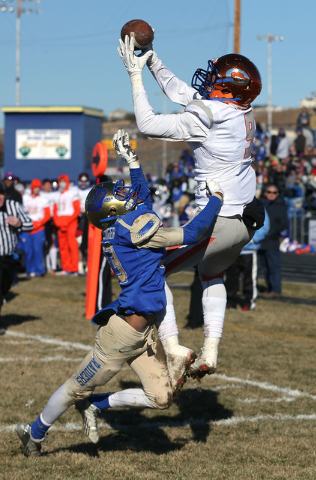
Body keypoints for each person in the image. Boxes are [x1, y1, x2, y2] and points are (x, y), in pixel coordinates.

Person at [15, 134, 224, 456]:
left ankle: (97, 404)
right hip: (122, 335)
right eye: (121, 195)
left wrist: (133, 163)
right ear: (114, 207)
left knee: (162, 399)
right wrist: (217, 199)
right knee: (75, 387)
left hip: (146, 331)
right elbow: (194, 232)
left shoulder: (121, 227)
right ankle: (35, 432)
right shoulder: (132, 232)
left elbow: (142, 197)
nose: (130, 196)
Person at [117, 36, 265, 380]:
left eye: (217, 78)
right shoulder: (241, 110)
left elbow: (148, 124)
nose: (208, 81)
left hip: (217, 220)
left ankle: (174, 348)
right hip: (245, 220)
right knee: (211, 274)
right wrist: (153, 62)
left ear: (229, 88)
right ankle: (211, 350)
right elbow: (185, 92)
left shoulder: (209, 114)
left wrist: (134, 77)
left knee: (154, 273)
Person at [224, 209, 270, 310]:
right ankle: (231, 301)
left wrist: (252, 240)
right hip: (233, 250)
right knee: (231, 277)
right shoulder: (232, 204)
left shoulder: (257, 205)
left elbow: (265, 226)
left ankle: (249, 302)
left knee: (249, 278)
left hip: (249, 251)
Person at [0, 182, 32, 321]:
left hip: (8, 257)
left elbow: (30, 225)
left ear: (5, 195)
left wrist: (19, 224)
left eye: (1, 194)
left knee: (4, 289)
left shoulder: (14, 206)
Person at [258, 184, 288, 298]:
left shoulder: (280, 207)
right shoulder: (262, 205)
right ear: (265, 193)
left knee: (273, 266)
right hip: (261, 241)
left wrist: (272, 232)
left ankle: (276, 290)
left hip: (272, 240)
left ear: (277, 194)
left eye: (274, 192)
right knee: (265, 267)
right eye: (269, 192)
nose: (271, 194)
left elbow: (284, 224)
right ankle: (269, 288)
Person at [22, 179, 51, 277]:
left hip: (39, 229)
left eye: (38, 187)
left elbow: (47, 215)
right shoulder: (25, 198)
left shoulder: (43, 199)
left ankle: (39, 270)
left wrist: (38, 223)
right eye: (35, 187)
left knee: (38, 250)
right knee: (28, 251)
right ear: (32, 188)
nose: (37, 189)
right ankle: (29, 270)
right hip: (27, 228)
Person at [53, 174, 80, 275]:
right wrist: (57, 222)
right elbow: (55, 210)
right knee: (63, 246)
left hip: (71, 222)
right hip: (60, 223)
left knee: (72, 246)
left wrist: (68, 221)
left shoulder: (73, 193)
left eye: (64, 181)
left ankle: (74, 268)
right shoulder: (56, 194)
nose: (62, 183)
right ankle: (66, 267)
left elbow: (77, 210)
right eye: (61, 181)